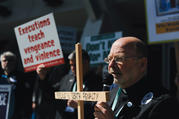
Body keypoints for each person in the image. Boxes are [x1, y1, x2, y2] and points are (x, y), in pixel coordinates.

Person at [93, 37, 179, 119]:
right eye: (109, 59)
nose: (110, 66)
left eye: (119, 59)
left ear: (142, 64)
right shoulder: (111, 95)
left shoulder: (163, 104)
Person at [58, 49, 103, 119]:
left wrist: (80, 105)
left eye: (76, 65)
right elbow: (53, 94)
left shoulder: (97, 81)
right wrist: (43, 79)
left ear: (86, 63)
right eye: (71, 65)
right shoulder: (66, 79)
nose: (72, 68)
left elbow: (99, 105)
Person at [0, 51, 31, 119]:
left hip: (17, 113)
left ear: (15, 62)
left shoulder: (22, 77)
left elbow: (27, 96)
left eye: (10, 60)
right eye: (4, 60)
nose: (7, 62)